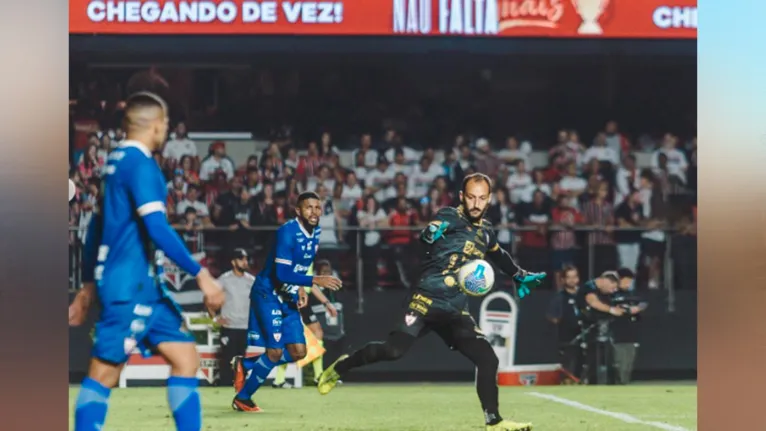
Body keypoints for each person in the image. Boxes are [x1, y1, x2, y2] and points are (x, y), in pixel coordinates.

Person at [317, 173, 537, 431]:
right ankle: (343, 365)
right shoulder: (449, 216)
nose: (476, 203)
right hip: (425, 301)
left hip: (454, 309)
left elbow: (499, 256)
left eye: (482, 198)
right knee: (393, 351)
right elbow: (429, 233)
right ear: (462, 197)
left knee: (487, 359)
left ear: (489, 200)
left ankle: (494, 421)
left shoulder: (486, 232)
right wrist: (430, 232)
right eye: (471, 197)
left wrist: (519, 275)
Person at [68, 92, 225, 431]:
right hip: (130, 286)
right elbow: (157, 227)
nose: (166, 129)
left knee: (186, 357)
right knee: (104, 373)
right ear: (154, 124)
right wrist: (201, 274)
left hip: (144, 286)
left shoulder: (114, 162)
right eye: (165, 123)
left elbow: (95, 226)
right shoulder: (142, 165)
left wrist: (86, 286)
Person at [230, 191, 343, 412]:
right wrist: (315, 280)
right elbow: (281, 273)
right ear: (298, 211)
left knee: (299, 352)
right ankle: (243, 399)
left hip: (289, 295)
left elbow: (299, 265)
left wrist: (301, 288)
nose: (314, 212)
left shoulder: (316, 231)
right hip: (268, 293)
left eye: (317, 208)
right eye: (309, 207)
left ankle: (246, 364)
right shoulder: (287, 232)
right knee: (274, 351)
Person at [272, 259, 340, 388]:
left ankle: (317, 376)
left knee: (317, 333)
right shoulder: (295, 255)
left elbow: (310, 282)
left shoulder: (307, 259)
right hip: (292, 299)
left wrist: (326, 303)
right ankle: (279, 379)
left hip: (302, 302)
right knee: (292, 340)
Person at [215, 248, 255, 387]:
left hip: (245, 326)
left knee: (241, 357)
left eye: (245, 259)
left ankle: (240, 385)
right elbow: (210, 297)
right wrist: (215, 317)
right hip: (229, 326)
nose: (245, 262)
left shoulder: (251, 280)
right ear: (233, 262)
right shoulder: (224, 279)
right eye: (241, 259)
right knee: (227, 357)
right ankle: (225, 384)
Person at [545, 265, 583, 383]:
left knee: (583, 366)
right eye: (569, 277)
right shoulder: (559, 297)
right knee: (568, 369)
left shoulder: (584, 295)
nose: (572, 280)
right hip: (567, 340)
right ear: (563, 280)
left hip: (585, 337)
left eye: (574, 277)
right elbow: (552, 316)